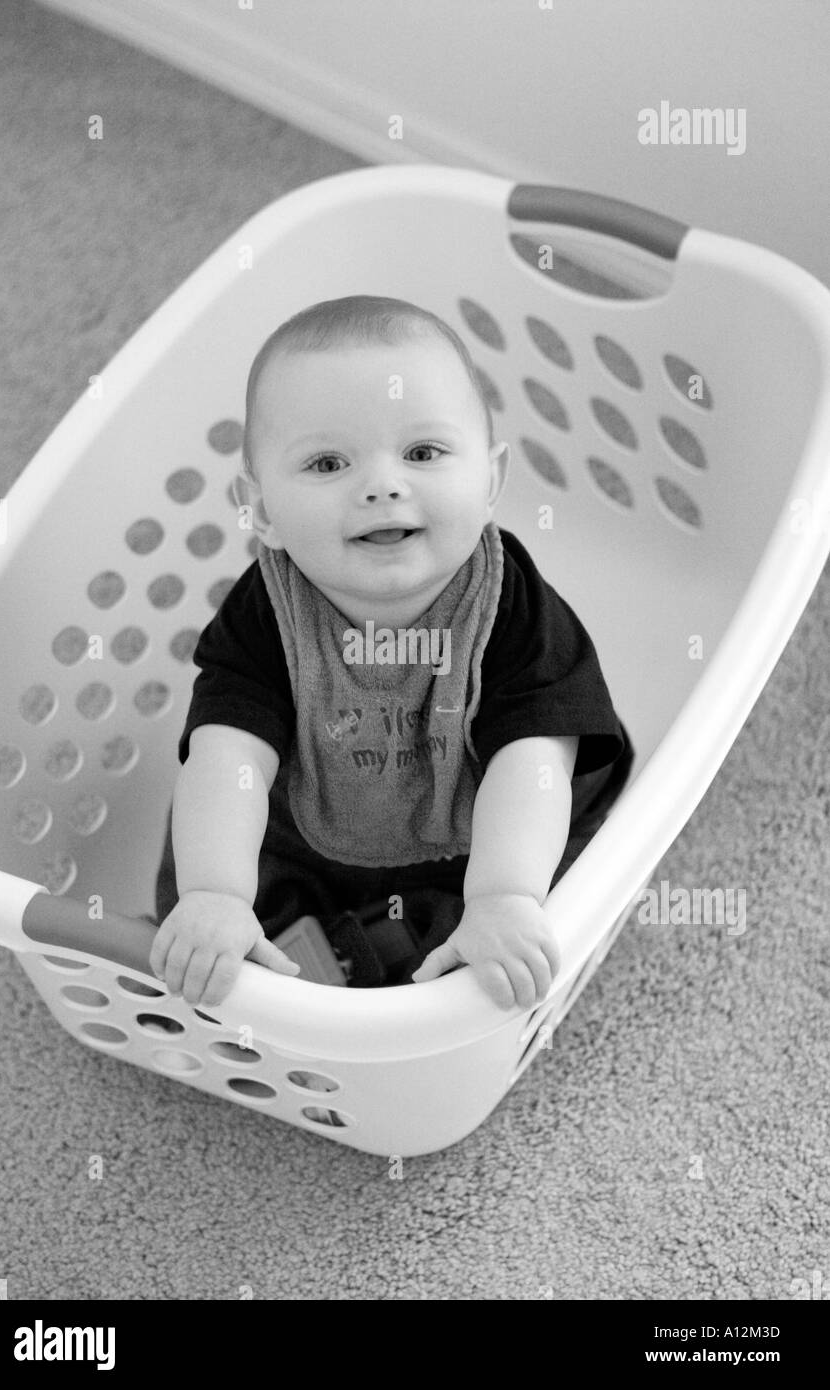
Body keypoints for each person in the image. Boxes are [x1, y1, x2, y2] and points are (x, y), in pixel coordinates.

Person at [151, 295, 634, 1012]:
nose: (381, 484)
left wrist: (504, 895)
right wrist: (215, 894)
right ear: (260, 510)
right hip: (313, 826)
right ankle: (291, 956)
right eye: (327, 463)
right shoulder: (268, 611)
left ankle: (400, 964)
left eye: (422, 453)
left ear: (491, 481)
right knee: (192, 877)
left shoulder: (508, 605)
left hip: (482, 834)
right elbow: (229, 754)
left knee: (510, 930)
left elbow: (533, 760)